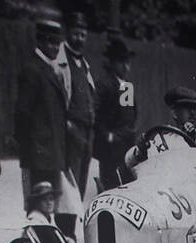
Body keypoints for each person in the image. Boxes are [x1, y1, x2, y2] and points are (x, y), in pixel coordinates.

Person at [13, 18, 67, 218]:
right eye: (50, 42)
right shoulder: (32, 71)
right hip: (39, 155)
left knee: (49, 207)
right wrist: (30, 151)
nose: (54, 47)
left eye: (57, 43)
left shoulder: (48, 70)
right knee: (37, 206)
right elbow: (22, 113)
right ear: (40, 43)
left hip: (50, 153)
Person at [125, 85, 196, 168]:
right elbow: (130, 163)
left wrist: (192, 139)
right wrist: (141, 150)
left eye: (194, 108)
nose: (192, 112)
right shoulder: (162, 141)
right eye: (186, 107)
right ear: (174, 113)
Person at [57, 7, 94, 203]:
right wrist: (68, 125)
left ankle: (74, 230)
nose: (79, 38)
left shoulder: (84, 64)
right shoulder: (60, 62)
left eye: (83, 34)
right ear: (67, 32)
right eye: (76, 34)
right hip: (71, 133)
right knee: (68, 190)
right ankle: (67, 230)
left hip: (87, 133)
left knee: (80, 186)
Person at [92, 34, 134, 191]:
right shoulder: (104, 84)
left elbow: (129, 116)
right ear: (112, 63)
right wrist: (107, 135)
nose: (126, 67)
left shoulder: (126, 86)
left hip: (125, 144)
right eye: (121, 62)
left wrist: (129, 132)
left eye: (128, 62)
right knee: (110, 186)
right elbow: (94, 113)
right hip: (109, 147)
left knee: (127, 184)